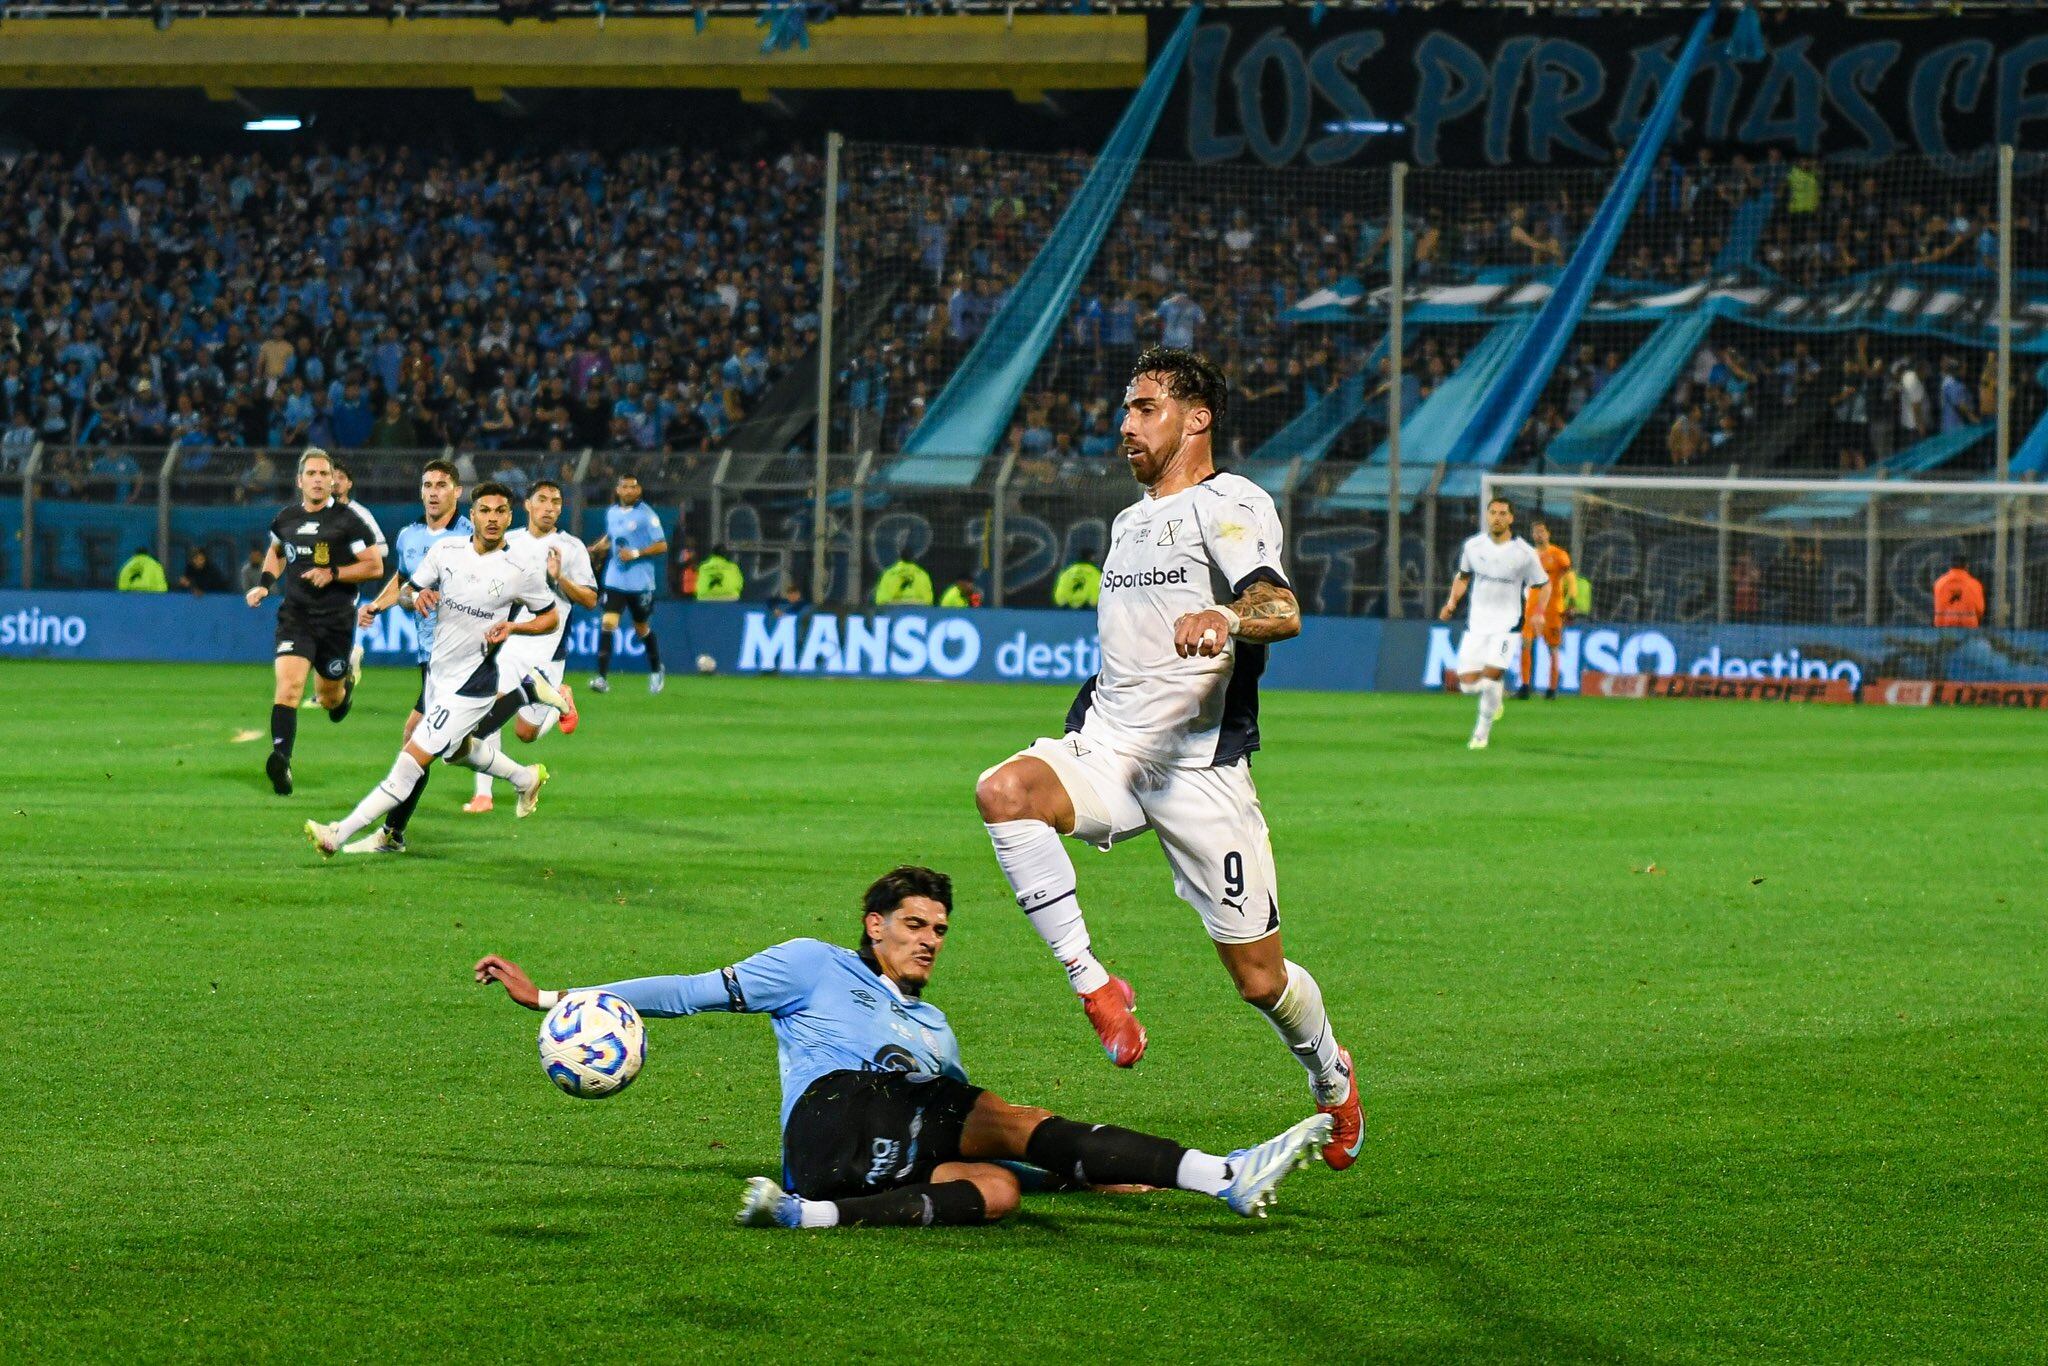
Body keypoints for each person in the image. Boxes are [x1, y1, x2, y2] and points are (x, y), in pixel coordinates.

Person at [972, 346, 1364, 1174]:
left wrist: (1225, 617)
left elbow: (1279, 608)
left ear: (1197, 418)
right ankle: (1096, 987)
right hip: (1111, 751)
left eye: (1145, 407)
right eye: (1126, 409)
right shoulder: (1128, 521)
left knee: (1259, 981)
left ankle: (1331, 1074)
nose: (1125, 425)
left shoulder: (1229, 504)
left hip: (1199, 771)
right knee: (1004, 791)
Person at [473, 866, 1332, 1228]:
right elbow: (691, 993)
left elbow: (973, 1137)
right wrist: (556, 996)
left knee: (996, 1188)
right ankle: (1221, 1176)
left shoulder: (934, 1031)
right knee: (1008, 1118)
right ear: (874, 925)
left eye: (940, 930)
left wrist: (1087, 1174)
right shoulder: (810, 967)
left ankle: (810, 1216)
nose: (929, 940)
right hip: (829, 1114)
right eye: (914, 925)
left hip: (845, 1166)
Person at [307, 482, 562, 856]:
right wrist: (416, 595)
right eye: (485, 511)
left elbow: (551, 617)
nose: (492, 519)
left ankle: (338, 835)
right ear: (472, 515)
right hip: (438, 676)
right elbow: (409, 590)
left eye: (500, 511)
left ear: (510, 517)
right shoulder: (446, 550)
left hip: (473, 685)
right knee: (456, 752)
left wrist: (513, 626)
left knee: (410, 762)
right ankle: (525, 777)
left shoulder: (520, 570)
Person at [342, 459, 473, 853]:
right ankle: (392, 833)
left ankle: (389, 833)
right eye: (427, 484)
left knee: (419, 742)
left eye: (442, 485)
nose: (434, 492)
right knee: (440, 746)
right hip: (428, 654)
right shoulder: (409, 536)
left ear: (457, 492)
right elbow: (403, 581)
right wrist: (380, 605)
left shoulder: (471, 536)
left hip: (457, 653)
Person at [245, 449, 385, 796]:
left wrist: (334, 572)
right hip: (297, 617)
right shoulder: (286, 518)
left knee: (329, 698)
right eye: (313, 474)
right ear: (300, 480)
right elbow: (277, 551)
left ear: (333, 480)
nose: (320, 479)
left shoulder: (348, 520)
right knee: (289, 687)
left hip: (336, 621)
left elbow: (374, 566)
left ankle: (344, 688)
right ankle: (282, 759)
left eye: (325, 474)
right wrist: (264, 584)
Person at [466, 479, 598, 814]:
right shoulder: (508, 542)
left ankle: (559, 697)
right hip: (509, 643)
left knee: (526, 733)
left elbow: (591, 599)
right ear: (527, 505)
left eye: (556, 501)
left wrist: (559, 579)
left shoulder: (572, 547)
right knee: (487, 711)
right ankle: (484, 794)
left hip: (547, 648)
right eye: (543, 500)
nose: (550, 507)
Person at [1439, 497, 1549, 750]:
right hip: (1477, 625)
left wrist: (1539, 612)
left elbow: (1542, 584)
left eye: (1503, 513)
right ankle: (1496, 695)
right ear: (1487, 516)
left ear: (1511, 518)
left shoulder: (1524, 552)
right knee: (1467, 685)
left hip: (1507, 627)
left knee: (1490, 676)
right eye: (1493, 512)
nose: (1497, 517)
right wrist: (1452, 602)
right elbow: (1463, 577)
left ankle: (1481, 734)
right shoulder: (1473, 547)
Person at [587, 474, 668, 694]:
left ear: (639, 490)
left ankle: (655, 669)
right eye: (625, 487)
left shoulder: (646, 515)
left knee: (640, 627)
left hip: (640, 582)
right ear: (618, 490)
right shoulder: (612, 512)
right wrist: (596, 548)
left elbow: (662, 545)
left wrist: (636, 553)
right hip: (615, 579)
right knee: (608, 623)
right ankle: (602, 678)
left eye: (634, 487)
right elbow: (611, 537)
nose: (630, 490)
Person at [1516, 521, 1575, 700]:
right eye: (1535, 532)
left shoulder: (1559, 555)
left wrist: (1571, 601)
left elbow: (1570, 577)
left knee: (1553, 648)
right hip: (1532, 607)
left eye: (1542, 531)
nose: (1539, 535)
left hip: (1553, 609)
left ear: (1548, 534)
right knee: (1525, 643)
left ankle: (1552, 689)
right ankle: (1525, 686)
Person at [1932, 555, 1986, 628]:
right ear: (1966, 566)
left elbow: (1937, 605)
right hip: (1968, 625)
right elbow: (1980, 609)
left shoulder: (1939, 583)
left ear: (1950, 566)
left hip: (1943, 625)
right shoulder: (1975, 584)